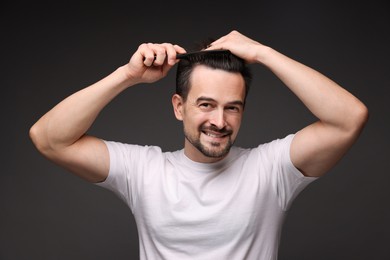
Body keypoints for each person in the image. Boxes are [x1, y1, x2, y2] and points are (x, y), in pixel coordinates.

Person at [29, 30, 368, 259]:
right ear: (179, 107)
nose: (219, 122)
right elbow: (48, 138)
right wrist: (127, 76)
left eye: (231, 107)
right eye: (206, 104)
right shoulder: (143, 170)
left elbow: (349, 118)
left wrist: (264, 53)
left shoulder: (271, 169)